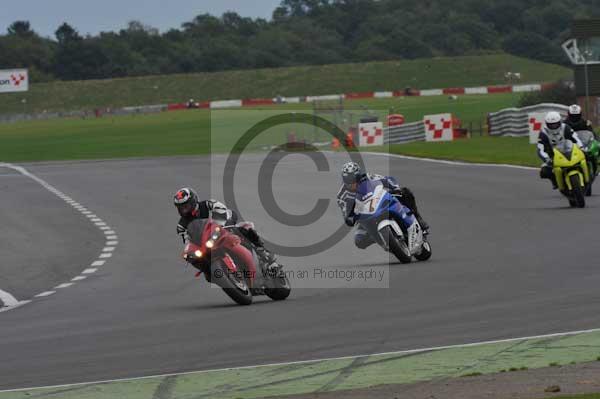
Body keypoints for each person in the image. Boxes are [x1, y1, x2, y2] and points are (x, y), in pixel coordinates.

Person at [173, 188, 278, 269]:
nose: (184, 210)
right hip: (207, 241)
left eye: (186, 206)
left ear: (193, 201)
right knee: (194, 257)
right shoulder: (181, 225)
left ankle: (263, 251)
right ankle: (211, 271)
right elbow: (187, 240)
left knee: (242, 228)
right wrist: (189, 252)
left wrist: (221, 224)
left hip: (222, 226)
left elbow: (221, 208)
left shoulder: (207, 204)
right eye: (181, 207)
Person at [336, 162, 429, 250]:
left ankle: (418, 218)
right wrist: (349, 218)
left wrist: (395, 188)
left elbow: (387, 179)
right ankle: (382, 239)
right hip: (364, 216)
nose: (351, 183)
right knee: (359, 241)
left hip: (378, 202)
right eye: (348, 180)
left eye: (353, 179)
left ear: (359, 176)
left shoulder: (368, 177)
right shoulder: (342, 195)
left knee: (405, 192)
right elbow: (345, 212)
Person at [537, 111, 584, 189]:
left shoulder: (566, 127)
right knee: (544, 171)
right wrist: (547, 159)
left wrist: (581, 147)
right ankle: (555, 182)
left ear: (559, 122)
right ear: (547, 124)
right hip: (553, 155)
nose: (554, 126)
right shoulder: (543, 133)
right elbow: (540, 149)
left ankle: (586, 175)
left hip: (569, 150)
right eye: (551, 125)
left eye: (555, 124)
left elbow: (576, 138)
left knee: (585, 158)